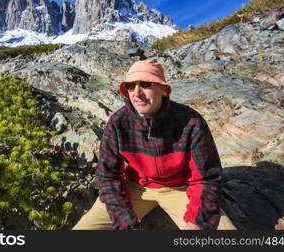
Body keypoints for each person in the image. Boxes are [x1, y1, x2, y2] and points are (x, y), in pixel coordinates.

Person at [73, 59, 236, 230]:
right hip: (136, 187)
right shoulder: (117, 123)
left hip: (180, 188)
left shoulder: (190, 122)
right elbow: (108, 177)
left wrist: (196, 224)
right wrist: (127, 223)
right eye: (130, 86)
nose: (137, 92)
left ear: (164, 89)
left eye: (145, 84)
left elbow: (207, 178)